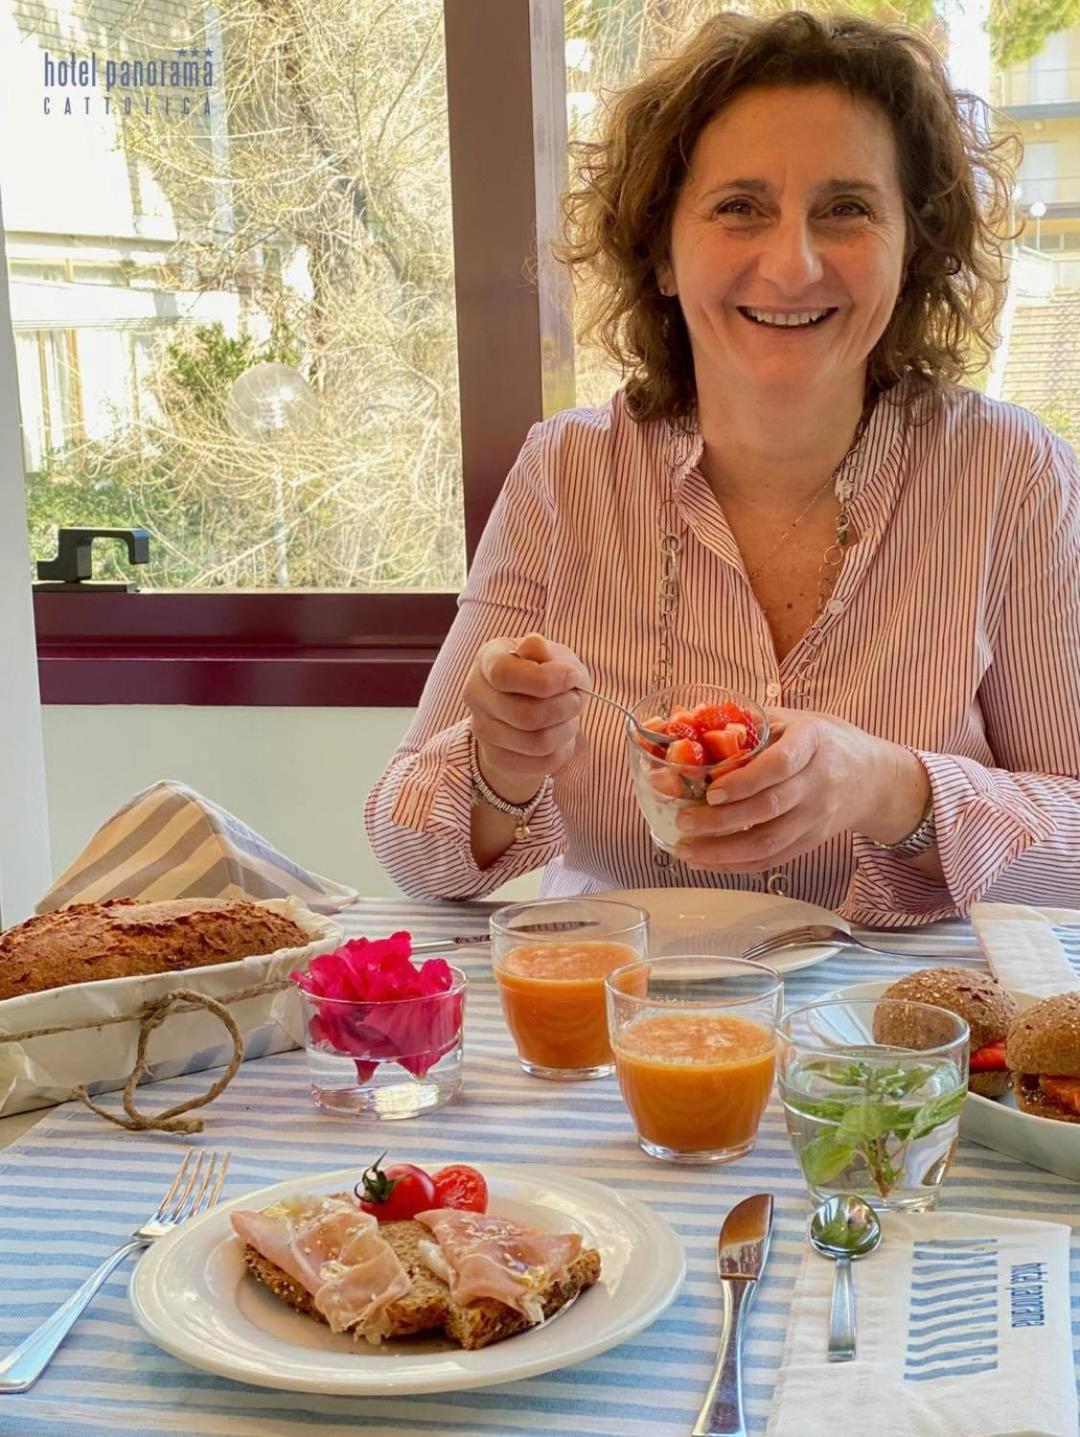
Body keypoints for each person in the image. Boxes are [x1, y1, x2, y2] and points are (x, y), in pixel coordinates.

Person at [365, 10, 1080, 925]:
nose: (792, 264)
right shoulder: (566, 473)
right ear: (662, 251)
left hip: (899, 1012)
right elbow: (409, 849)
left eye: (847, 209)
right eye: (740, 207)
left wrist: (890, 788)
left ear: (914, 249)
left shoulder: (1012, 474)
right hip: (619, 999)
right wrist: (498, 767)